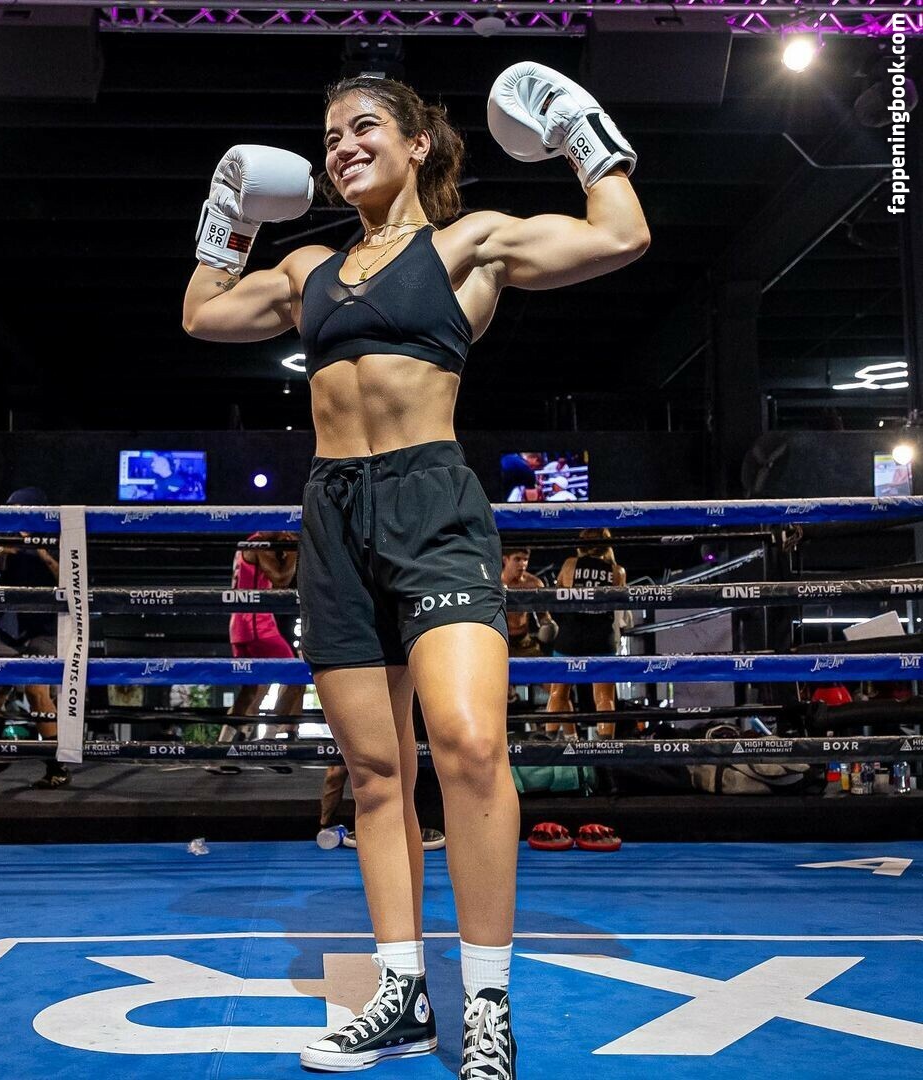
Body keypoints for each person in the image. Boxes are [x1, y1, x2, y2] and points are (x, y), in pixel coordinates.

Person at [183, 61, 647, 1077]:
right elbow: (202, 313)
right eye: (330, 137)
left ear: (417, 143)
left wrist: (580, 130)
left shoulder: (467, 244)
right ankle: (402, 993)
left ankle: (486, 1002)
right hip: (333, 512)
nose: (341, 147)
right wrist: (228, 215)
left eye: (363, 129)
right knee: (376, 772)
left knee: (471, 746)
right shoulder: (308, 268)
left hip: (432, 504)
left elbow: (621, 234)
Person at [0, 486, 70, 789]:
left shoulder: (58, 539)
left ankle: (57, 767)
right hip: (10, 627)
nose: (15, 516)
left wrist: (40, 551)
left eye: (20, 511)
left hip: (44, 628)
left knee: (36, 691)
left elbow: (70, 582)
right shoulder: (4, 535)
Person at [545, 528, 627, 740]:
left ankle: (547, 741)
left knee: (558, 692)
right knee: (605, 697)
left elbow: (556, 595)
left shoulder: (570, 564)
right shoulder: (617, 571)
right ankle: (606, 747)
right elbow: (619, 608)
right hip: (601, 637)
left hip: (571, 635)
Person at [224, 530, 303, 740]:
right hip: (258, 625)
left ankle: (223, 746)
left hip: (238, 626)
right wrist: (293, 551)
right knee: (297, 677)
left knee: (250, 688)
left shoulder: (248, 545)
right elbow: (281, 579)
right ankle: (269, 738)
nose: (285, 533)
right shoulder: (259, 544)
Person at [500, 547, 557, 704]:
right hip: (499, 644)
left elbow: (543, 615)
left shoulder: (533, 583)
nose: (522, 564)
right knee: (493, 689)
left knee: (554, 686)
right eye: (517, 559)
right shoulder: (494, 583)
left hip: (525, 644)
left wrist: (548, 625)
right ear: (505, 559)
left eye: (525, 560)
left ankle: (564, 721)